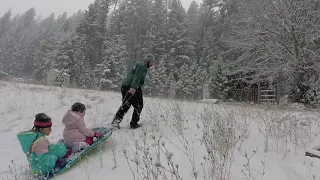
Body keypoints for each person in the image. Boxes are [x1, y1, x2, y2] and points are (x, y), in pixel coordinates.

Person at [111, 54, 154, 129]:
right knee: (138, 105)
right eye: (151, 62)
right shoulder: (142, 65)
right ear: (147, 61)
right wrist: (133, 88)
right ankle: (133, 123)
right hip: (131, 86)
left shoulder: (140, 65)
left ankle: (116, 122)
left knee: (126, 104)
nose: (152, 65)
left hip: (127, 85)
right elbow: (136, 76)